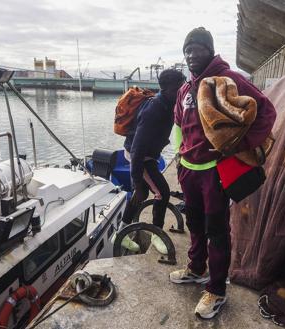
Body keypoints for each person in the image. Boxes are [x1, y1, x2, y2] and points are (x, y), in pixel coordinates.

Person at [169, 27, 276, 319]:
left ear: (210, 51)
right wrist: (180, 156)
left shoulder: (229, 80)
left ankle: (216, 290)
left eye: (198, 49)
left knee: (217, 232)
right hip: (189, 172)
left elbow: (266, 112)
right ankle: (196, 268)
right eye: (187, 49)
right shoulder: (183, 89)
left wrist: (240, 145)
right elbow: (178, 125)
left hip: (214, 173)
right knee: (194, 224)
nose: (191, 54)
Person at [112, 69, 186, 254]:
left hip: (148, 155)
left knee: (143, 194)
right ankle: (156, 233)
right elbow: (137, 148)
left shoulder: (168, 103)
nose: (183, 89)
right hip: (141, 156)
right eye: (180, 86)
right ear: (169, 89)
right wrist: (137, 181)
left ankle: (121, 233)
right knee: (162, 192)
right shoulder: (153, 110)